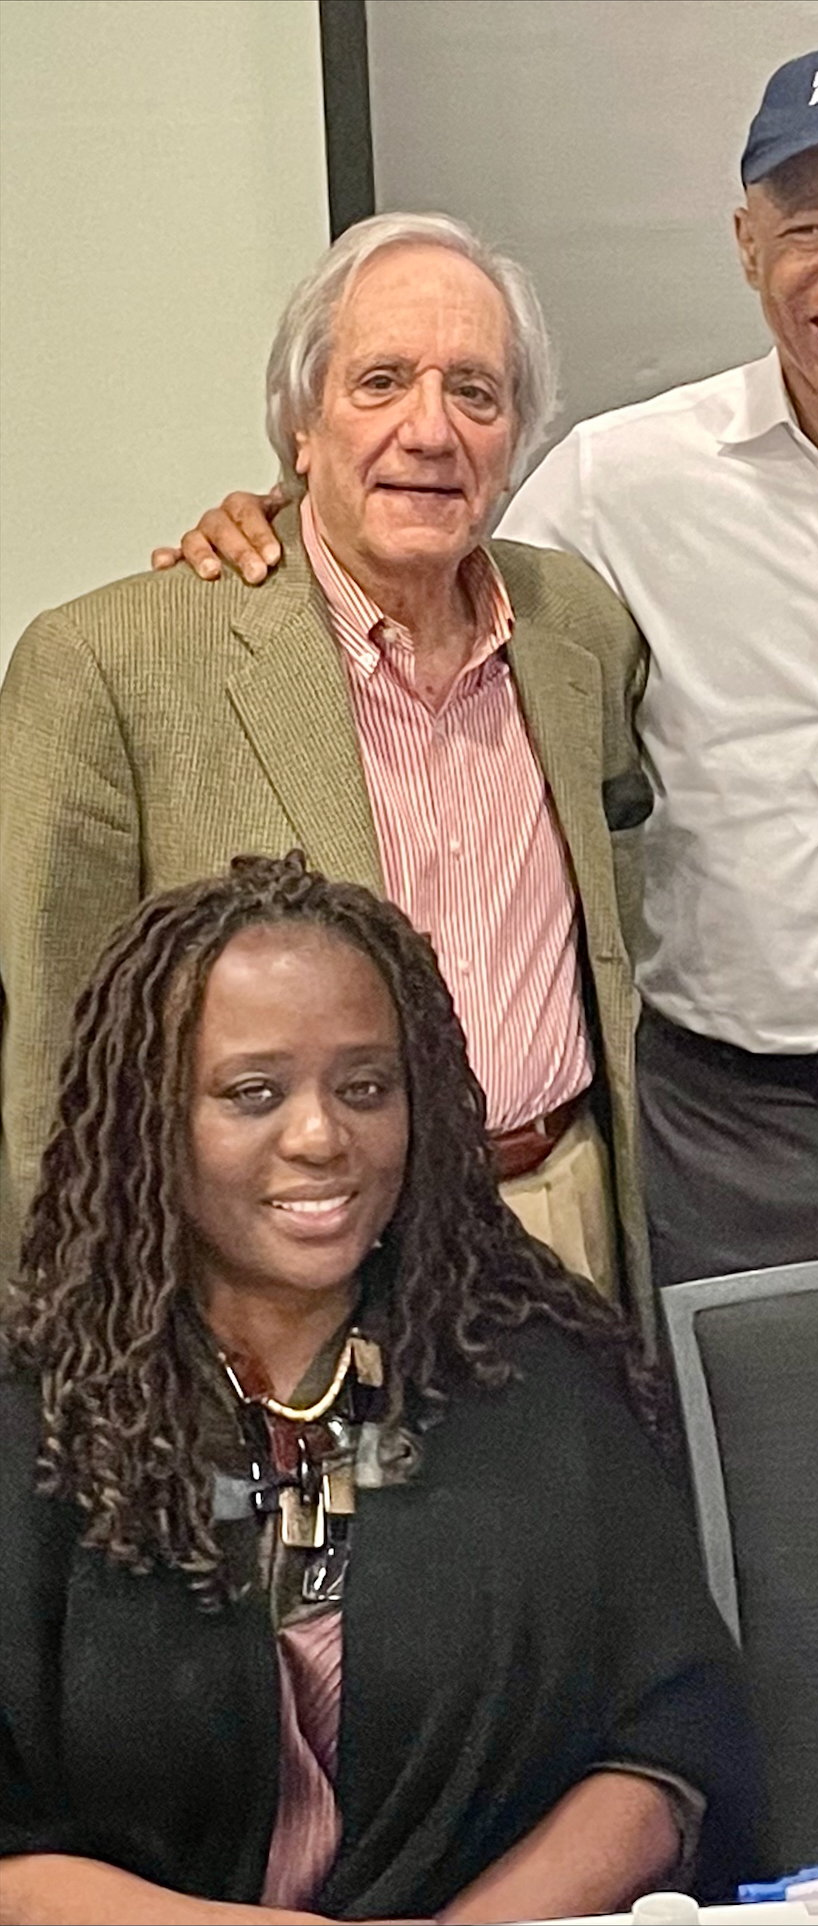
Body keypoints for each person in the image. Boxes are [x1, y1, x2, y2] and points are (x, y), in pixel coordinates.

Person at [152, 44, 818, 1289]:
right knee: (705, 1470)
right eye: (806, 226)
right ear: (747, 243)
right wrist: (276, 508)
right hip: (705, 1133)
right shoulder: (614, 483)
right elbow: (421, 555)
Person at [0, 855, 758, 1923]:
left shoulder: (531, 1374)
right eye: (251, 1093)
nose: (321, 1138)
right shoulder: (38, 1413)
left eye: (365, 1087)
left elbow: (669, 1753)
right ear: (149, 1119)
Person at [0, 213, 655, 1348]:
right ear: (301, 426)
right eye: (382, 382)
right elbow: (43, 1069)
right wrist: (71, 1343)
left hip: (562, 1221)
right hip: (268, 1267)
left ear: (516, 440)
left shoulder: (577, 630)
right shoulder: (109, 665)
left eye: (476, 394)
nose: (429, 431)